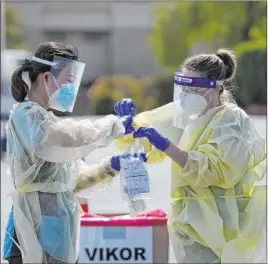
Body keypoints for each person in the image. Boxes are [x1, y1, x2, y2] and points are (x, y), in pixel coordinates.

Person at [113, 49, 267, 263]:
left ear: (216, 87)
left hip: (225, 227)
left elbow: (215, 171)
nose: (187, 94)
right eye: (184, 87)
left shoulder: (232, 120)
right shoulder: (185, 115)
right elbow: (145, 134)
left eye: (194, 87)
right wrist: (127, 125)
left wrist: (166, 145)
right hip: (187, 225)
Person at [3, 41, 147, 264]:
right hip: (29, 234)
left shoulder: (46, 119)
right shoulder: (27, 115)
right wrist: (113, 125)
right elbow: (64, 136)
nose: (72, 89)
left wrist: (111, 166)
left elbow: (73, 181)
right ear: (46, 77)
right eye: (68, 81)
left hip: (58, 237)